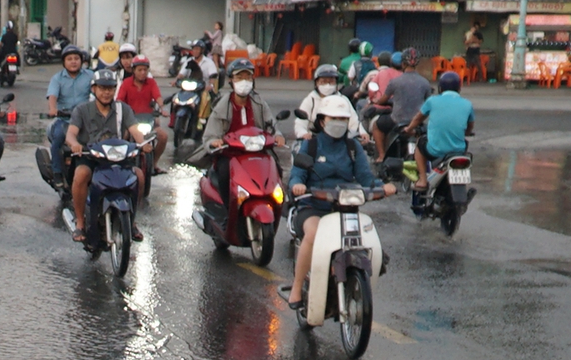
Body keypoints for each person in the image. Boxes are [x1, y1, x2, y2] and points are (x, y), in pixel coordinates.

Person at [279, 94, 392, 315]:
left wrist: (383, 187)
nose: (338, 123)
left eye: (343, 119)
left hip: (344, 209)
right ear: (322, 120)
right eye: (334, 118)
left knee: (367, 238)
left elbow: (365, 178)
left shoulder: (353, 147)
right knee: (313, 234)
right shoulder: (310, 145)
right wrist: (297, 186)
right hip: (313, 206)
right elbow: (297, 176)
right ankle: (296, 288)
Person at [66, 73, 144, 247]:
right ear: (94, 89)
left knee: (138, 175)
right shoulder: (82, 109)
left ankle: (132, 221)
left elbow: (135, 131)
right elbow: (71, 133)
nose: (106, 93)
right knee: (81, 174)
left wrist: (143, 143)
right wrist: (74, 144)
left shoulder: (123, 109)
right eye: (102, 88)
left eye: (110, 88)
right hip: (92, 157)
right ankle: (80, 222)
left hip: (118, 158)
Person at [184, 60, 271, 203]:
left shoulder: (259, 103)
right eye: (239, 77)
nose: (244, 81)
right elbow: (210, 135)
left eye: (247, 77)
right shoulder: (222, 106)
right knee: (224, 173)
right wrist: (214, 142)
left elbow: (271, 125)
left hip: (256, 153)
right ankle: (227, 210)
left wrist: (277, 136)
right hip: (230, 155)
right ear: (231, 80)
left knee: (274, 169)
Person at [45, 46, 94, 183]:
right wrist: (53, 108)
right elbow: (52, 96)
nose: (73, 62)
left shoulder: (90, 75)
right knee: (58, 138)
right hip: (64, 120)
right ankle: (57, 173)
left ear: (81, 60)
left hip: (85, 119)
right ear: (64, 62)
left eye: (76, 59)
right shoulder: (57, 78)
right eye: (69, 59)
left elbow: (100, 91)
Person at [373, 52, 434, 163]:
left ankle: (381, 155)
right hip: (417, 123)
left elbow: (383, 100)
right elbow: (428, 103)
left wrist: (376, 101)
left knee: (376, 126)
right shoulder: (425, 83)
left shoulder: (395, 82)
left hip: (396, 121)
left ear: (403, 64)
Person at [117, 54, 168, 168]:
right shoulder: (126, 83)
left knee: (163, 137)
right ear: (134, 70)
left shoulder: (151, 82)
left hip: (148, 120)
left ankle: (154, 163)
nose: (142, 72)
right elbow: (119, 100)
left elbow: (157, 96)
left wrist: (162, 108)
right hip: (131, 121)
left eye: (145, 70)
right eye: (139, 70)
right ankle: (123, 161)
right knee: (123, 137)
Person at [418, 69, 474, 169]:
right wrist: (467, 133)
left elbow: (417, 119)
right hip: (458, 151)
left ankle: (422, 179)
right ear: (459, 88)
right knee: (464, 142)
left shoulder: (432, 101)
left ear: (440, 88)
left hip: (435, 151)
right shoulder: (467, 104)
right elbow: (470, 126)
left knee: (419, 145)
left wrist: (408, 129)